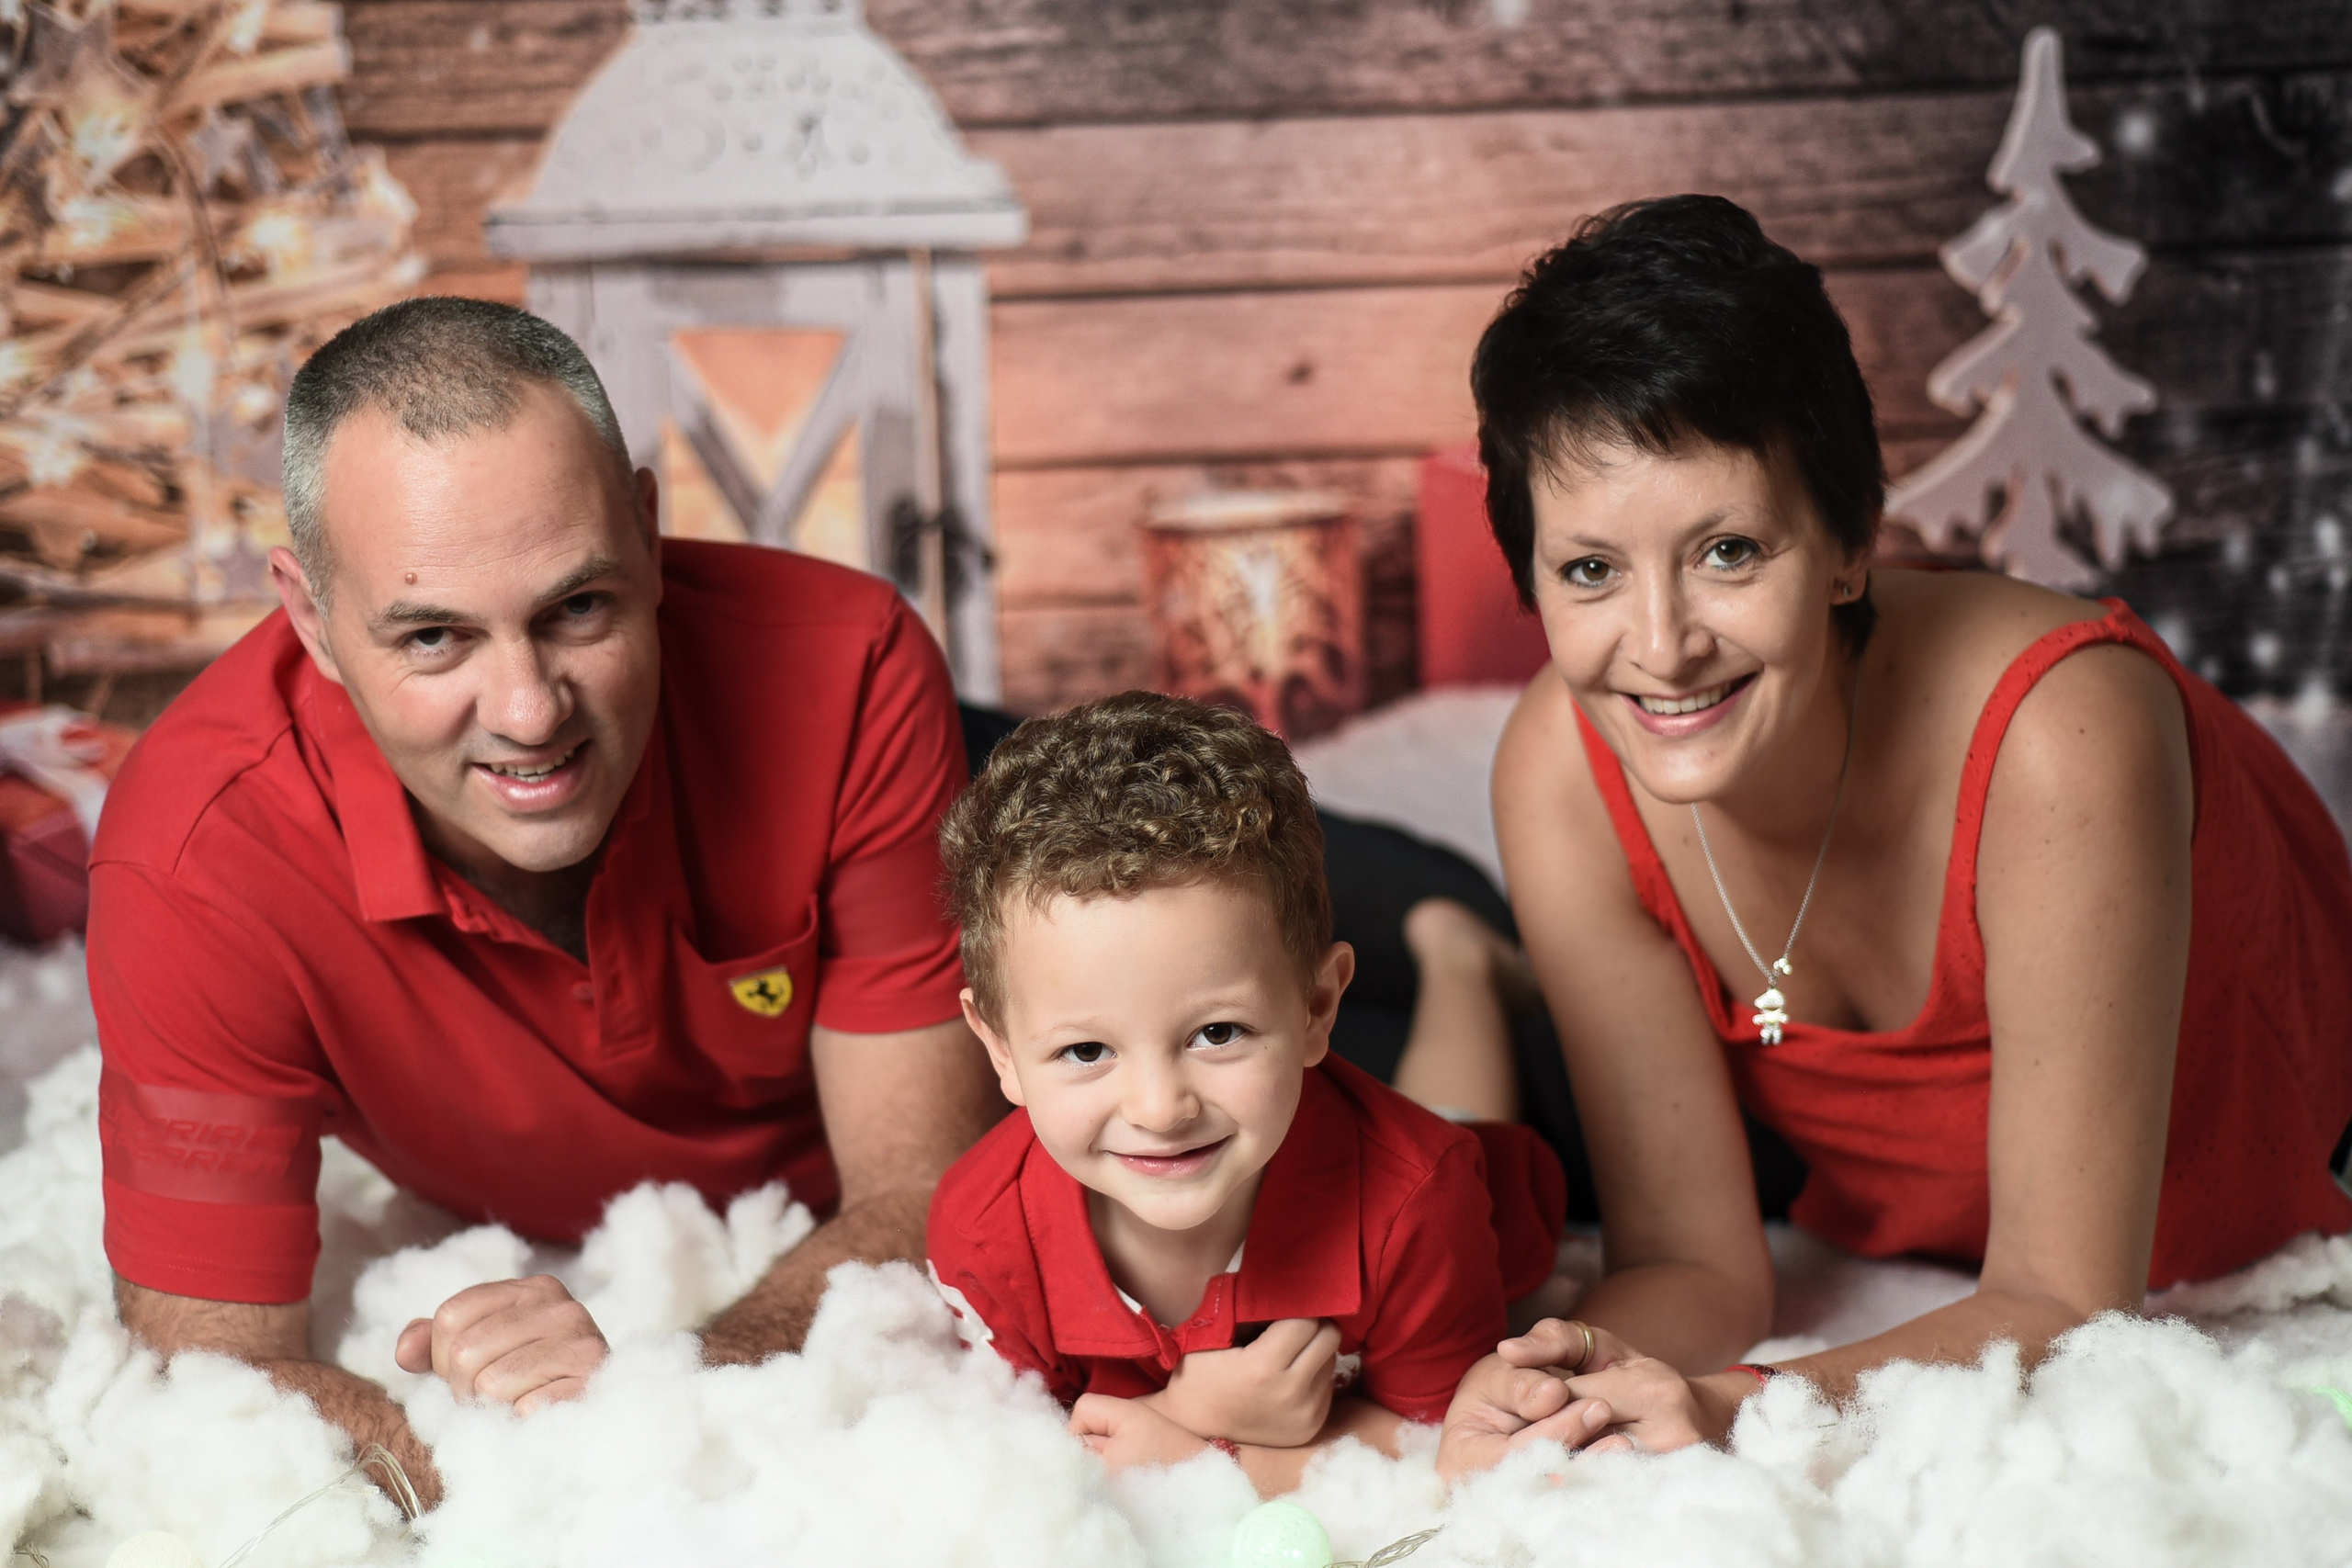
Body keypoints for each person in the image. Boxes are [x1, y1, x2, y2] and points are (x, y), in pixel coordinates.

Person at [1446, 195, 2352, 1458]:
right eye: (1590, 569)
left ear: (1848, 544)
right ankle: (1455, 949)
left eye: (1726, 550)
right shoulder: (1560, 760)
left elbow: (2063, 1297)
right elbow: (1696, 1258)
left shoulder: (2061, 730)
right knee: (1287, 964)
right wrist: (1566, 1384)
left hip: (2270, 1193)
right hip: (1870, 1202)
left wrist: (1730, 1402)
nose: (1659, 647)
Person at [88, 299, 1003, 1504]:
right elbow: (215, 1378)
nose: (528, 709)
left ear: (648, 529)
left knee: (1284, 959)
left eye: (577, 607)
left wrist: (665, 1379)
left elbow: (930, 1190)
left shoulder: (849, 669)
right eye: (432, 637)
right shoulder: (194, 857)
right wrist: (546, 1450)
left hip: (962, 777)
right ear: (311, 616)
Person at [925, 694, 1577, 1495]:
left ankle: (1457, 956)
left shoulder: (1421, 1196)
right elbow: (1017, 1466)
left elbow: (1446, 1449)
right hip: (1313, 1124)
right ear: (1000, 1050)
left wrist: (1200, 1446)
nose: (1160, 1108)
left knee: (1458, 1118)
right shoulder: (982, 1231)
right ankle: (1446, 949)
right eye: (1086, 1049)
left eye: (1217, 1032)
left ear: (1314, 1007)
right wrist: (1190, 1407)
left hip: (1449, 1178)